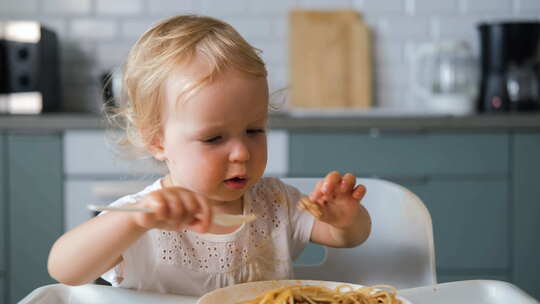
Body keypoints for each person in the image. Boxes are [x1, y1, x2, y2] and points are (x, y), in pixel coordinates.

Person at [47, 15, 371, 296]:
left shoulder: (276, 204)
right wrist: (133, 220)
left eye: (254, 130)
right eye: (214, 138)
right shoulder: (147, 216)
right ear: (158, 141)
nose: (242, 152)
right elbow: (64, 269)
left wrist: (345, 220)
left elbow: (347, 237)